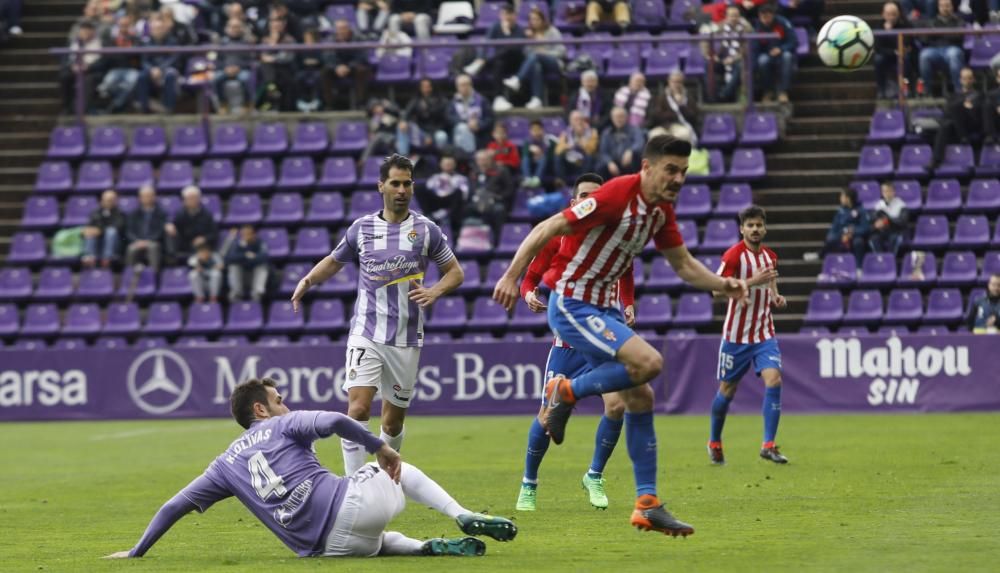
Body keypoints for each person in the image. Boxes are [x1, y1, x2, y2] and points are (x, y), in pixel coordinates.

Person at [492, 135, 749, 535]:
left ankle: (647, 503)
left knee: (641, 394)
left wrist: (722, 283)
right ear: (647, 168)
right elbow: (550, 225)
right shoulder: (616, 195)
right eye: (670, 169)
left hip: (602, 309)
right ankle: (566, 392)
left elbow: (683, 265)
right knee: (650, 362)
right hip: (572, 302)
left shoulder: (662, 211)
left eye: (683, 171)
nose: (678, 178)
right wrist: (512, 276)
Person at [103, 377, 516, 560]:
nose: (286, 404)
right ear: (261, 409)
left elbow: (174, 506)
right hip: (352, 508)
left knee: (378, 539)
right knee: (393, 470)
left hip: (327, 548)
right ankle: (462, 515)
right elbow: (338, 421)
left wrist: (137, 551)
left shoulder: (224, 464)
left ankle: (424, 548)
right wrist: (381, 449)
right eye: (279, 399)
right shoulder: (283, 423)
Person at [291, 155, 465, 476]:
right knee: (357, 408)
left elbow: (455, 272)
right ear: (381, 186)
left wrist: (435, 291)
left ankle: (382, 479)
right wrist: (308, 280)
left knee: (392, 421)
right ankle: (354, 487)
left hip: (406, 337)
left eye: (407, 183)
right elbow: (334, 260)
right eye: (395, 183)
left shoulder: (427, 231)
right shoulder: (362, 228)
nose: (401, 190)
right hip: (366, 331)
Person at [514, 173, 634, 512]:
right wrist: (528, 294)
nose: (590, 201)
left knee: (617, 405)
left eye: (597, 196)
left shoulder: (616, 237)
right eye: (584, 195)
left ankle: (594, 475)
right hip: (568, 344)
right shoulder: (559, 238)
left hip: (603, 341)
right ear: (573, 202)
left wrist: (628, 302)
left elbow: (627, 273)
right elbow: (531, 278)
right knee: (547, 416)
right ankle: (529, 483)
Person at [707, 205, 788, 466]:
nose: (755, 230)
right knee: (727, 391)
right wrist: (752, 282)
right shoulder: (733, 256)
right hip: (736, 336)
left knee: (774, 380)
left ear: (765, 228)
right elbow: (716, 291)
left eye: (759, 225)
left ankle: (768, 444)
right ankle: (714, 441)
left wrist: (776, 296)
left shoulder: (770, 257)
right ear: (742, 229)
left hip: (764, 333)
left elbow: (770, 280)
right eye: (750, 225)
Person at [502, 7, 566, 110]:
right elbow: (526, 53)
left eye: (536, 19)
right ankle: (537, 99)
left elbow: (561, 51)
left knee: (536, 55)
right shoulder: (529, 34)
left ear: (542, 20)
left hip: (554, 63)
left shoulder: (552, 31)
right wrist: (530, 40)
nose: (534, 22)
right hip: (537, 63)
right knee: (536, 66)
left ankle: (518, 79)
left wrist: (545, 52)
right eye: (532, 19)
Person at [932, 67, 983, 167]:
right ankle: (935, 160)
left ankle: (964, 136)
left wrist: (962, 107)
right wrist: (964, 105)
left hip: (971, 124)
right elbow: (947, 112)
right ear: (960, 80)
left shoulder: (979, 95)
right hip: (955, 126)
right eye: (964, 78)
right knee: (946, 125)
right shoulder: (953, 96)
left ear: (973, 79)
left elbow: (977, 112)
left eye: (969, 78)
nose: (967, 81)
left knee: (955, 107)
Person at [702, 5, 751, 103]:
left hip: (736, 59)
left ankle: (724, 94)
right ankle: (711, 96)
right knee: (707, 64)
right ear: (726, 16)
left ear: (739, 16)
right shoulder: (719, 26)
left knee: (741, 66)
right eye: (731, 16)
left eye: (736, 16)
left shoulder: (746, 28)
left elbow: (747, 49)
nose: (734, 18)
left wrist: (734, 58)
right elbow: (704, 40)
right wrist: (710, 55)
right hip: (721, 58)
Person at [465, 149, 516, 238]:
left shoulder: (501, 171)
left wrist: (498, 197)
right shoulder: (474, 173)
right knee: (464, 210)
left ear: (491, 160)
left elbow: (510, 189)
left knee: (498, 210)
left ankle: (498, 239)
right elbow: (471, 190)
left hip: (495, 201)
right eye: (480, 160)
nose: (482, 162)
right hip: (477, 203)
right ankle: (469, 240)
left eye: (485, 160)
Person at [918, 0, 965, 96]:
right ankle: (927, 90)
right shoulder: (932, 21)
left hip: (952, 48)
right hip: (935, 50)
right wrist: (948, 33)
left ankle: (958, 90)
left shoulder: (959, 21)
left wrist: (938, 34)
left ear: (952, 7)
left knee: (954, 54)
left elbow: (959, 37)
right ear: (938, 8)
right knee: (924, 55)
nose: (945, 8)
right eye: (942, 6)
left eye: (947, 6)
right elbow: (925, 39)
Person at [752, 3, 797, 104]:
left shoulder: (783, 22)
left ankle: (783, 91)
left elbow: (793, 41)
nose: (766, 20)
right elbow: (755, 48)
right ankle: (768, 91)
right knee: (762, 60)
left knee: (787, 57)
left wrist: (781, 49)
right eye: (763, 17)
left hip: (782, 52)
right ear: (759, 16)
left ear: (773, 15)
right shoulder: (757, 28)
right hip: (766, 54)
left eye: (768, 16)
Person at [813, 188, 869, 267]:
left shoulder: (861, 210)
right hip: (842, 235)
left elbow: (865, 227)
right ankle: (821, 256)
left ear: (848, 199)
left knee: (858, 243)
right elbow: (834, 226)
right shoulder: (840, 210)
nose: (840, 199)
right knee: (831, 239)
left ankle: (858, 267)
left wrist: (852, 233)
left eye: (842, 197)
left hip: (856, 236)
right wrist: (841, 234)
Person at [136, 14, 180, 114]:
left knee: (170, 75)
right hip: (151, 71)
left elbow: (173, 59)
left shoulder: (172, 41)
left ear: (164, 29)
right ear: (151, 29)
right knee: (142, 76)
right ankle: (144, 108)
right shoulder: (146, 42)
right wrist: (152, 69)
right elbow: (144, 61)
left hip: (168, 69)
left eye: (160, 28)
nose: (157, 30)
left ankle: (168, 109)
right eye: (155, 28)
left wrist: (160, 69)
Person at [58, 20, 104, 115]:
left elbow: (103, 61)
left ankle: (83, 110)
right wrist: (71, 66)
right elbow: (66, 59)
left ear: (93, 32)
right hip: (74, 69)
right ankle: (66, 107)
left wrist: (88, 67)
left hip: (91, 71)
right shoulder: (72, 43)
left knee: (88, 80)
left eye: (88, 30)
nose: (85, 33)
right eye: (83, 30)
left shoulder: (100, 43)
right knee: (64, 77)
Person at [323, 19, 371, 108]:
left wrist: (348, 67)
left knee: (362, 70)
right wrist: (336, 67)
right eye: (339, 28)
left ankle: (360, 103)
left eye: (343, 28)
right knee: (325, 72)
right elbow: (327, 56)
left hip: (353, 68)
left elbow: (362, 57)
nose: (341, 31)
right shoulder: (330, 39)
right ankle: (329, 105)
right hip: (336, 69)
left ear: (348, 29)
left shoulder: (359, 38)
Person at [873, 1, 916, 99]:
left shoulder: (905, 24)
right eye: (888, 14)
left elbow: (907, 43)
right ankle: (881, 89)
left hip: (903, 55)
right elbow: (878, 48)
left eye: (894, 14)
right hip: (887, 55)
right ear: (883, 14)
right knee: (878, 59)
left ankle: (908, 89)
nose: (891, 17)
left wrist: (898, 50)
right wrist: (888, 33)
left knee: (907, 59)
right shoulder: (879, 26)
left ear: (898, 14)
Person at [167, 185, 218, 264]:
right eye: (188, 198)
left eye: (193, 198)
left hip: (201, 246)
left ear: (199, 199)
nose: (191, 201)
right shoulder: (180, 214)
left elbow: (213, 233)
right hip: (184, 244)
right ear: (184, 200)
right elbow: (176, 228)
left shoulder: (206, 214)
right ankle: (171, 259)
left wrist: (204, 238)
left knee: (203, 249)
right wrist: (171, 226)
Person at [646, 71, 700, 145]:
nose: (676, 85)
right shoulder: (661, 97)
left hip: (681, 126)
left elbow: (693, 117)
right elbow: (656, 115)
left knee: (684, 134)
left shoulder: (688, 98)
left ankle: (678, 156)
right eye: (674, 82)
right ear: (669, 82)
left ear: (682, 83)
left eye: (679, 82)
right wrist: (673, 114)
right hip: (663, 126)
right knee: (654, 135)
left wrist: (681, 105)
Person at [420, 155, 469, 234]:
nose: (448, 166)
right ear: (441, 165)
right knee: (421, 189)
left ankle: (449, 217)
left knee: (458, 193)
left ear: (455, 165)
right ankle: (429, 216)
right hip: (437, 201)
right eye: (446, 164)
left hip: (452, 202)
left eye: (450, 164)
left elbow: (464, 195)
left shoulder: (461, 178)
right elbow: (428, 191)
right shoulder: (434, 177)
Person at [257, 15, 297, 112]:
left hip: (285, 69)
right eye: (274, 26)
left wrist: (273, 58)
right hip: (269, 71)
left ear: (283, 26)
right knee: (264, 67)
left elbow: (287, 57)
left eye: (278, 26)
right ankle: (271, 90)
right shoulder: (265, 40)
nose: (276, 28)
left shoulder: (289, 40)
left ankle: (271, 88)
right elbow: (262, 56)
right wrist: (273, 42)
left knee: (275, 73)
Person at [214, 17, 254, 113]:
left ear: (241, 28)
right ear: (227, 28)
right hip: (225, 70)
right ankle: (223, 104)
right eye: (232, 27)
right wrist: (225, 68)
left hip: (241, 70)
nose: (234, 29)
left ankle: (247, 104)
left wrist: (239, 67)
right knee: (215, 79)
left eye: (236, 27)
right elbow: (217, 61)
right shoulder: (221, 44)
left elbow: (251, 61)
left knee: (246, 78)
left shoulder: (247, 43)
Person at [125, 185, 168, 271]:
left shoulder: (161, 214)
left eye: (149, 196)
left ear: (154, 197)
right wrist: (137, 241)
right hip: (137, 242)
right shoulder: (134, 214)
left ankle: (154, 276)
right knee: (130, 249)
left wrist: (148, 241)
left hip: (153, 241)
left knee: (153, 248)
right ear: (140, 198)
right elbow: (129, 231)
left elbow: (160, 231)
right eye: (144, 196)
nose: (147, 198)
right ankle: (129, 275)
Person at [448, 74, 494, 154]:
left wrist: (479, 125)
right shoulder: (453, 102)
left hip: (479, 134)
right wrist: (467, 123)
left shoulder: (481, 100)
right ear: (457, 87)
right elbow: (449, 117)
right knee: (462, 128)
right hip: (460, 132)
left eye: (467, 84)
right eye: (462, 85)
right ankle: (466, 156)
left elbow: (489, 118)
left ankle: (468, 156)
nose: (465, 87)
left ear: (471, 85)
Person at [401, 78, 451, 152]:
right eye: (423, 86)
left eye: (428, 86)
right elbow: (407, 113)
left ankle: (442, 157)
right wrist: (404, 121)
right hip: (421, 131)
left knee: (441, 136)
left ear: (432, 87)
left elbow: (444, 121)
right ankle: (402, 157)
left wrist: (431, 136)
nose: (426, 89)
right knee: (402, 127)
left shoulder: (441, 101)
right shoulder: (416, 100)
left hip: (436, 130)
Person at [225, 224, 270, 302]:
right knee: (233, 266)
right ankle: (236, 293)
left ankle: (257, 293)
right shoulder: (238, 243)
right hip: (241, 276)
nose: (245, 236)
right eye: (243, 234)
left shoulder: (259, 243)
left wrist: (248, 258)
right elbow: (229, 258)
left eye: (248, 234)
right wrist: (245, 255)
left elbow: (264, 258)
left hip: (254, 276)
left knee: (262, 266)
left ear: (253, 234)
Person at [598, 107, 645, 180]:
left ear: (626, 117)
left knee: (636, 158)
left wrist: (630, 151)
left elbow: (639, 143)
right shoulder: (606, 133)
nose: (619, 119)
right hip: (613, 163)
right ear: (612, 118)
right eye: (616, 117)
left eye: (621, 116)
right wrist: (609, 162)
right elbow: (603, 152)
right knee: (600, 166)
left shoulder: (634, 130)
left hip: (629, 162)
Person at [82, 189, 125, 268]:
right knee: (90, 232)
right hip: (98, 242)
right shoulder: (95, 212)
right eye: (106, 200)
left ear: (115, 201)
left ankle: (106, 258)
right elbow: (90, 226)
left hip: (114, 244)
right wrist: (90, 231)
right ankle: (89, 257)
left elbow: (118, 227)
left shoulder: (120, 213)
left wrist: (100, 230)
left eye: (110, 200)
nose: (108, 202)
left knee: (111, 232)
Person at [555, 110, 599, 183]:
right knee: (558, 157)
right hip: (570, 161)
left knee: (590, 157)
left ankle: (583, 183)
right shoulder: (566, 133)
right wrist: (567, 146)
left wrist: (584, 144)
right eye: (575, 120)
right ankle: (562, 183)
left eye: (580, 119)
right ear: (570, 121)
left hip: (584, 162)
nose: (578, 122)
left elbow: (593, 150)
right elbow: (557, 150)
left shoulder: (592, 132)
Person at [869, 181, 909, 256]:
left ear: (894, 192)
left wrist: (888, 221)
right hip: (883, 231)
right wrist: (876, 224)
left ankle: (891, 260)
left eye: (889, 191)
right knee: (874, 238)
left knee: (895, 238)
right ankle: (880, 258)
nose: (887, 193)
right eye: (884, 191)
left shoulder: (901, 204)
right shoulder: (879, 205)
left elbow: (902, 222)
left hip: (895, 231)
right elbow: (873, 219)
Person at [521, 119, 557, 188]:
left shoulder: (549, 140)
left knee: (543, 158)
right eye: (533, 130)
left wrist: (541, 154)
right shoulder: (528, 141)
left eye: (538, 129)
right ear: (530, 131)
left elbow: (552, 155)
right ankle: (527, 178)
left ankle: (537, 179)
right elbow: (524, 154)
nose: (536, 132)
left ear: (542, 130)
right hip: (532, 165)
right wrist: (529, 150)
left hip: (546, 166)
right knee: (525, 158)